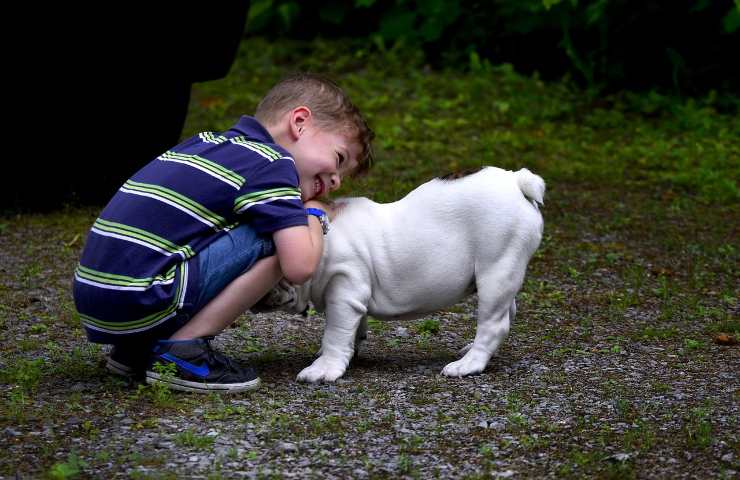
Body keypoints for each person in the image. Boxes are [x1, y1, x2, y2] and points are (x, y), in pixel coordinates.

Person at [72, 73, 374, 393]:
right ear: (299, 122)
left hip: (99, 300)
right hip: (143, 296)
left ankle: (137, 351)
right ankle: (183, 350)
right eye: (339, 159)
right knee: (277, 234)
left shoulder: (204, 144)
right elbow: (299, 266)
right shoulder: (273, 164)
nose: (337, 182)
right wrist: (313, 213)